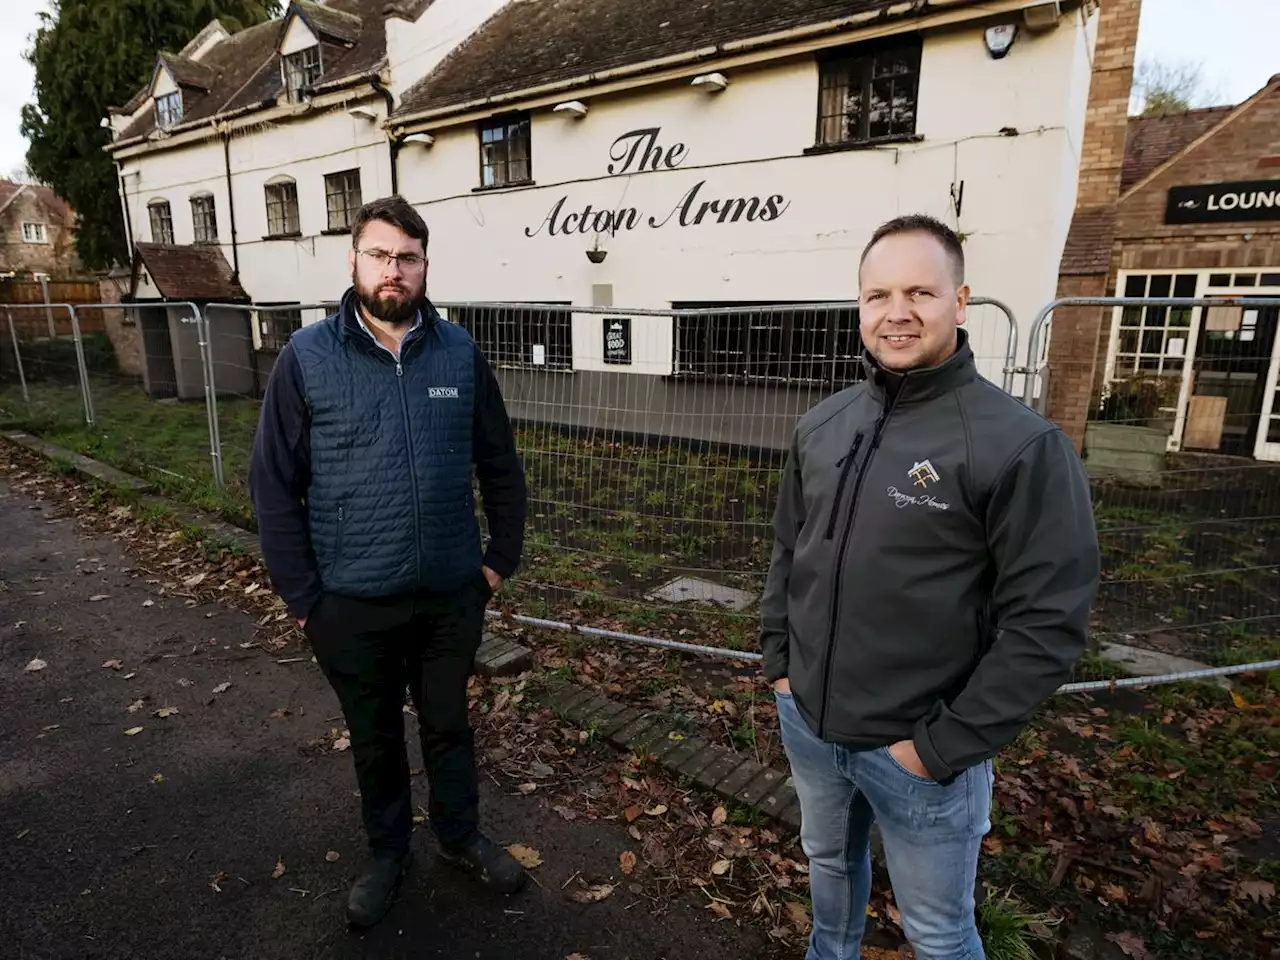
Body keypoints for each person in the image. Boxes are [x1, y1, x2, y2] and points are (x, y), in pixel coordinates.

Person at [760, 214, 1099, 960]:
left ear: (961, 299)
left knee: (940, 933)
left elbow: (1046, 626)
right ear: (859, 306)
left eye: (921, 291)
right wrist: (779, 664)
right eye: (879, 294)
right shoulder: (824, 425)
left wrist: (940, 746)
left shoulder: (1018, 446)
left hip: (919, 749)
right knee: (828, 865)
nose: (898, 311)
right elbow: (791, 549)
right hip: (810, 724)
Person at [249, 195, 528, 928]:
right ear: (353, 260)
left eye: (407, 257)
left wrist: (497, 560)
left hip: (448, 597)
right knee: (374, 736)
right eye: (379, 255)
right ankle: (387, 854)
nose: (393, 270)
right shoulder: (307, 357)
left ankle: (460, 838)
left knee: (447, 725)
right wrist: (306, 600)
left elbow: (499, 463)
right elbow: (273, 484)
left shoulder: (459, 353)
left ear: (425, 265)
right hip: (351, 604)